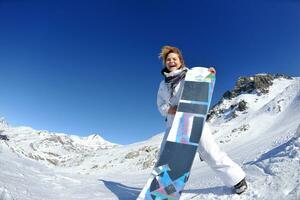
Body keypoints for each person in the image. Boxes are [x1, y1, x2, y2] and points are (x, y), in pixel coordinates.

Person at [156, 45, 248, 195]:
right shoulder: (163, 84)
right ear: (165, 63)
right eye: (168, 59)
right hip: (173, 124)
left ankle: (237, 180)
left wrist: (209, 74)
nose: (171, 61)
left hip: (194, 120)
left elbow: (202, 84)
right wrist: (169, 109)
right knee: (165, 158)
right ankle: (165, 190)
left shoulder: (190, 75)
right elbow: (160, 104)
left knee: (209, 152)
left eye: (174, 59)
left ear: (180, 61)